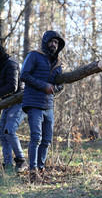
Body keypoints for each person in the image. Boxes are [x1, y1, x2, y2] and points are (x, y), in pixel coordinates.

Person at [20, 30, 65, 182]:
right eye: (51, 41)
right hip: (33, 102)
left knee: (46, 139)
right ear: (45, 41)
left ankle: (41, 169)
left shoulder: (58, 62)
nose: (54, 44)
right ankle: (33, 173)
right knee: (36, 138)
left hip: (49, 105)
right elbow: (24, 75)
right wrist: (43, 86)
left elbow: (60, 84)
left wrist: (53, 88)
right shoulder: (34, 55)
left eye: (56, 42)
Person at [0, 44, 27, 173]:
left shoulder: (12, 65)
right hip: (6, 105)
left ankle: (21, 160)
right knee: (3, 136)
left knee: (9, 131)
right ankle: (8, 166)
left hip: (18, 103)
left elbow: (12, 87)